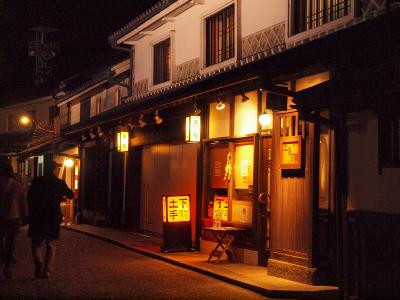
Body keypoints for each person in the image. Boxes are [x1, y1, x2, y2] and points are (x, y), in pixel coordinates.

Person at [27, 160, 73, 279]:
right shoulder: (59, 182)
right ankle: (47, 271)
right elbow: (70, 195)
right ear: (54, 169)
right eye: (57, 169)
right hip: (53, 215)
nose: (58, 171)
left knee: (36, 242)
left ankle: (38, 260)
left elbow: (29, 197)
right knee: (51, 244)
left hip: (38, 215)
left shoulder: (37, 181)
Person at [0, 156, 28, 279]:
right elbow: (23, 202)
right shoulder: (17, 185)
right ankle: (7, 266)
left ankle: (5, 260)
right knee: (11, 242)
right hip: (14, 216)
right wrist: (26, 215)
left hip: (1, 216)